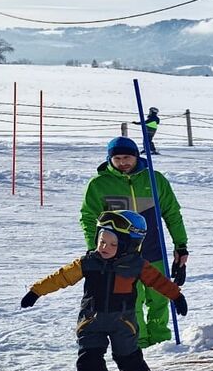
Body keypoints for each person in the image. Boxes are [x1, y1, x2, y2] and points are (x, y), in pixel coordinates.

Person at [21, 210, 188, 371]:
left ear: (128, 244)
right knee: (88, 353)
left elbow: (158, 281)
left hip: (122, 321)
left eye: (113, 244)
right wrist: (36, 291)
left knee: (127, 354)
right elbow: (61, 277)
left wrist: (176, 296)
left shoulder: (136, 265)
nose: (104, 247)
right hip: (90, 319)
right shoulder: (88, 262)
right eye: (102, 241)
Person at [80, 136, 189, 348]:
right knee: (131, 301)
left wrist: (181, 244)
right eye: (117, 158)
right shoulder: (98, 185)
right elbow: (87, 217)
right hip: (119, 256)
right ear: (109, 159)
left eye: (127, 157)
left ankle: (162, 341)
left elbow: (172, 214)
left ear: (136, 156)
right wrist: (95, 248)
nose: (123, 162)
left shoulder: (155, 180)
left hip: (153, 250)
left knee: (159, 298)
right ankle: (139, 343)